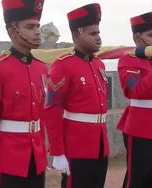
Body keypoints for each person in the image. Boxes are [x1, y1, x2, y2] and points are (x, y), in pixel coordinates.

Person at [0, 0, 48, 187]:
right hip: (9, 162)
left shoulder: (41, 68)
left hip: (36, 159)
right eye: (30, 26)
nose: (37, 31)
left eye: (38, 26)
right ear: (12, 30)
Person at [44, 3, 109, 188]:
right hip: (77, 147)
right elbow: (53, 110)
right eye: (93, 33)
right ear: (77, 34)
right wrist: (58, 152)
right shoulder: (63, 66)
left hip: (100, 145)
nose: (98, 38)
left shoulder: (99, 65)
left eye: (98, 32)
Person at [117, 11, 152, 188]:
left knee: (151, 176)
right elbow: (135, 90)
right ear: (138, 36)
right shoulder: (127, 60)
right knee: (136, 179)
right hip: (139, 127)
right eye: (150, 34)